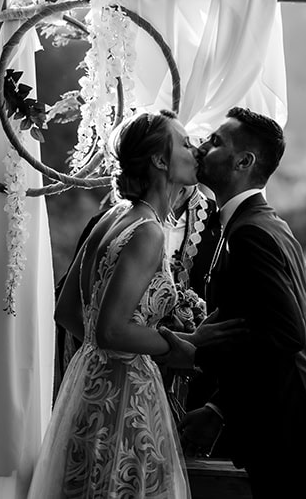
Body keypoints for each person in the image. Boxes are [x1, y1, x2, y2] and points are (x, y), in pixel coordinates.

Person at [27, 110, 245, 499]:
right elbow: (111, 331)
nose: (195, 150)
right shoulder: (148, 232)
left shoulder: (112, 216)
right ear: (160, 160)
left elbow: (69, 312)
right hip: (126, 394)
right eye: (184, 143)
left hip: (89, 387)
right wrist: (184, 345)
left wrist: (100, 356)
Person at [175, 107, 306, 499]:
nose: (201, 148)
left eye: (215, 142)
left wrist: (217, 404)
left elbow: (286, 333)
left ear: (244, 161)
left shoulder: (250, 233)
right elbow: (259, 324)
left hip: (291, 429)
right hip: (295, 425)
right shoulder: (260, 222)